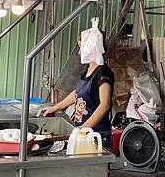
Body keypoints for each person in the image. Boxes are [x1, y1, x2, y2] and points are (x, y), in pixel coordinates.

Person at [42, 20, 115, 149]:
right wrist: (55, 108)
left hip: (95, 134)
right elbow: (77, 93)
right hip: (83, 133)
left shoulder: (103, 72)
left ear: (92, 47)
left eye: (81, 45)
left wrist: (84, 128)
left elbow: (105, 105)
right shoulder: (87, 69)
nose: (79, 49)